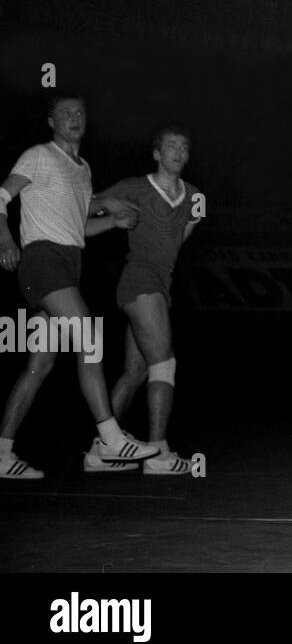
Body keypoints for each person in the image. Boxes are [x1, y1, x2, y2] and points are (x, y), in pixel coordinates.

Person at [0, 94, 157, 479]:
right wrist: (4, 239)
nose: (74, 118)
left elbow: (79, 226)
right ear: (52, 122)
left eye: (80, 113)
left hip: (68, 263)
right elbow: (0, 196)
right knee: (87, 334)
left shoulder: (83, 169)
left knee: (40, 364)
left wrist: (112, 223)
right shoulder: (39, 155)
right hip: (41, 261)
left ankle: (1, 454)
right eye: (65, 113)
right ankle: (108, 435)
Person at [98, 126, 202, 476]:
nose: (178, 152)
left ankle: (100, 450)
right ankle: (158, 452)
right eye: (171, 146)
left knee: (136, 370)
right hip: (140, 281)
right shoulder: (134, 187)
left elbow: (176, 243)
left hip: (160, 283)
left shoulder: (195, 197)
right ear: (156, 154)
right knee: (164, 363)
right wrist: (107, 209)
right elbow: (86, 202)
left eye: (184, 147)